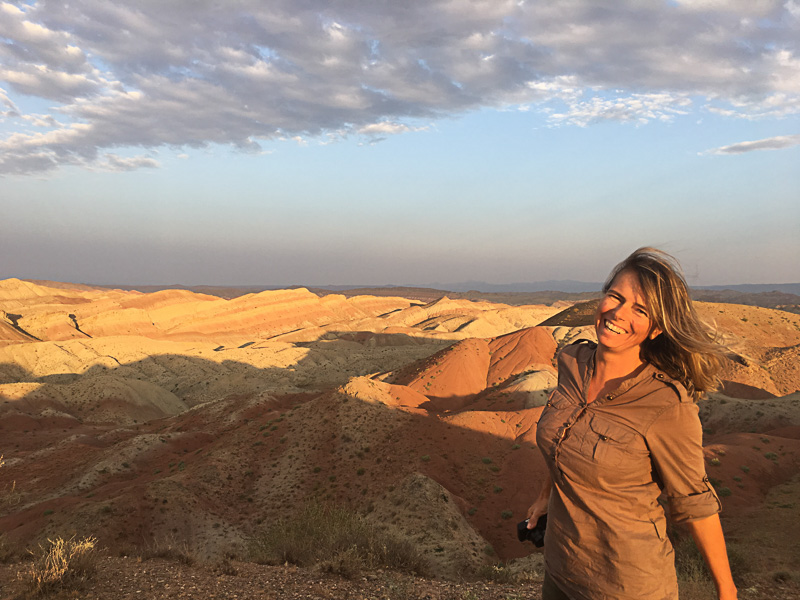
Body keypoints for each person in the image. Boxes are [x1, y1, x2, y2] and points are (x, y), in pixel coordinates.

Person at [527, 247, 737, 600]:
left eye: (640, 310)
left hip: (626, 586)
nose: (618, 313)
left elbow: (696, 503)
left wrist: (726, 591)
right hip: (560, 571)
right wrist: (544, 496)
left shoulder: (665, 404)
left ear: (656, 329)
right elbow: (568, 436)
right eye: (615, 297)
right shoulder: (572, 362)